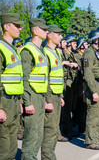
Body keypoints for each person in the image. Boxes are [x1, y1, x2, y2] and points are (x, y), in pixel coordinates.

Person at [20, 18, 49, 159]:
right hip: (32, 95)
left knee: (38, 133)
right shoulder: (28, 50)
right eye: (44, 29)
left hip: (41, 95)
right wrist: (27, 101)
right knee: (31, 133)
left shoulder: (41, 50)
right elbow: (24, 78)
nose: (47, 31)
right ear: (35, 31)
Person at [0, 13, 24, 160]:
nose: (20, 28)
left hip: (14, 101)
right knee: (3, 144)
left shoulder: (13, 49)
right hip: (4, 101)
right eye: (17, 25)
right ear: (6, 26)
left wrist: (20, 102)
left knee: (12, 142)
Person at [41, 24, 65, 159]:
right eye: (58, 34)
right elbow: (47, 78)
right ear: (50, 35)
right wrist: (48, 100)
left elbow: (58, 77)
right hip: (50, 97)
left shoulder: (56, 52)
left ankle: (49, 156)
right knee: (49, 130)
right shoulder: (46, 52)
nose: (61, 37)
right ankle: (48, 157)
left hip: (56, 95)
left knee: (54, 130)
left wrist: (60, 96)